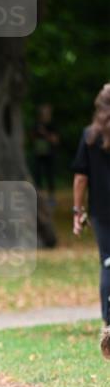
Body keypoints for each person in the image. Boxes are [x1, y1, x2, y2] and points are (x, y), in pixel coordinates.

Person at [72, 83, 110, 359]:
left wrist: (77, 211)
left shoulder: (90, 137)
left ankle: (108, 320)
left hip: (100, 211)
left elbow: (81, 177)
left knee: (108, 261)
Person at [32, 103, 59, 205]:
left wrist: (45, 133)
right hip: (39, 153)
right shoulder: (36, 124)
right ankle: (37, 196)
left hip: (50, 154)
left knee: (50, 175)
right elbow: (32, 138)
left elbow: (55, 140)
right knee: (37, 175)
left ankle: (51, 197)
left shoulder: (52, 125)